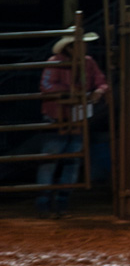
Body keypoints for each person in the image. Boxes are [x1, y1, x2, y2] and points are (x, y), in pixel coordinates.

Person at [35, 32, 108, 218]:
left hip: (75, 119)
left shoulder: (88, 62)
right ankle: (45, 204)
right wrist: (73, 92)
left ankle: (60, 203)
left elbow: (101, 82)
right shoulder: (55, 62)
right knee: (51, 163)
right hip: (57, 118)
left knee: (71, 162)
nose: (84, 47)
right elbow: (46, 86)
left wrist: (99, 91)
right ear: (69, 47)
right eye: (80, 44)